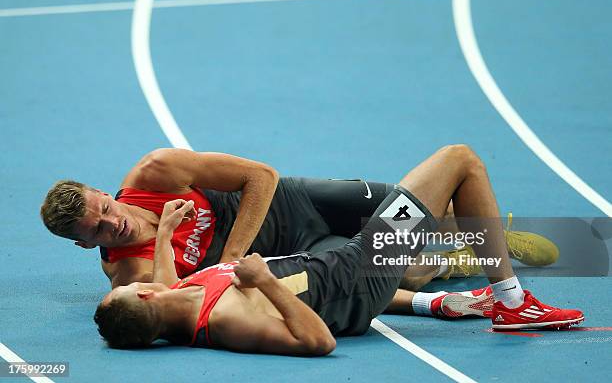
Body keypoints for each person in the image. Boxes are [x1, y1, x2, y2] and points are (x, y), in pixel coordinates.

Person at [94, 146, 584, 355]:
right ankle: (514, 303)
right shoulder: (223, 320)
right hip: (362, 267)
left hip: (345, 264)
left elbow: (162, 278)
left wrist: (163, 236)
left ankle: (459, 252)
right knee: (458, 160)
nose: (142, 283)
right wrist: (263, 279)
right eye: (136, 289)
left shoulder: (179, 299)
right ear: (145, 300)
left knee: (435, 193)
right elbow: (317, 342)